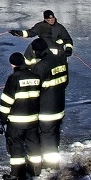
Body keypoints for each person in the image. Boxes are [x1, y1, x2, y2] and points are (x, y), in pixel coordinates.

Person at [0, 51, 42, 180]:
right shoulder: (36, 76)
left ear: (12, 65)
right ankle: (36, 169)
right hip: (33, 119)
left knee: (16, 146)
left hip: (17, 121)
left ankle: (17, 174)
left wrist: (3, 118)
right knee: (33, 144)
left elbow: (6, 101)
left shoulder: (13, 78)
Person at [30, 37, 69, 170]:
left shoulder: (41, 66)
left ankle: (51, 164)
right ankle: (54, 159)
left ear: (37, 51)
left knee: (47, 135)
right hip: (59, 104)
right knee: (55, 133)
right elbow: (65, 82)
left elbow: (34, 88)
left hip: (46, 108)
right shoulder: (61, 60)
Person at [9, 9, 74, 61]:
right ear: (45, 19)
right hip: (43, 52)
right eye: (49, 20)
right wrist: (18, 33)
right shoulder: (40, 26)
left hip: (57, 53)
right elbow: (31, 33)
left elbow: (67, 39)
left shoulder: (60, 28)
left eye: (52, 19)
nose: (51, 21)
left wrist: (68, 49)